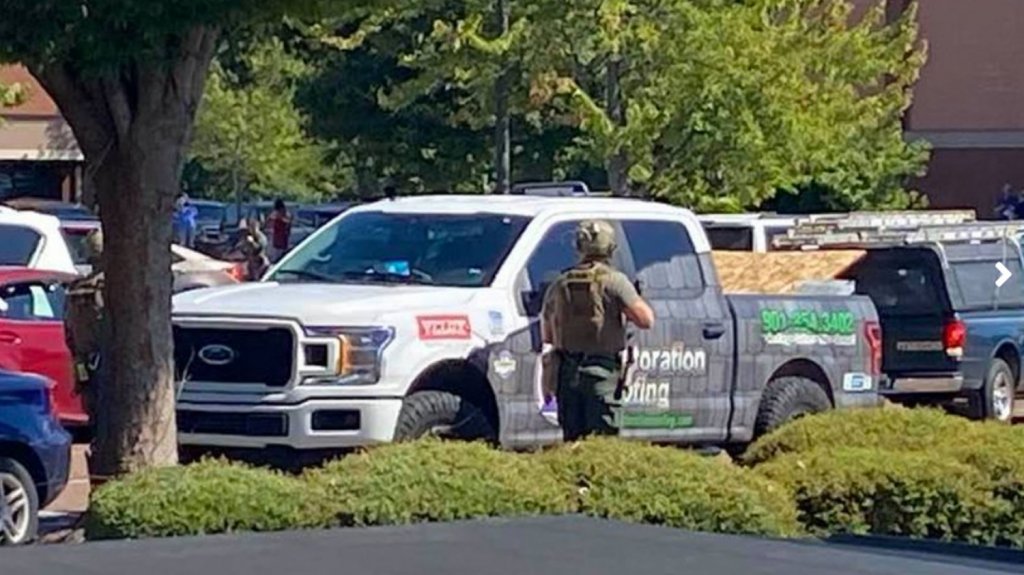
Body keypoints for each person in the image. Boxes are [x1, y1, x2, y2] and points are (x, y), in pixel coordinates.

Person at [540, 219, 655, 442]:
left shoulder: (559, 283)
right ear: (611, 248)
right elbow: (646, 320)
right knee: (604, 445)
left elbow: (547, 335)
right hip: (602, 374)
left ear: (578, 247)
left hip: (567, 374)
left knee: (572, 443)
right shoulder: (615, 282)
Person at [63, 229, 109, 420]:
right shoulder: (110, 286)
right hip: (104, 358)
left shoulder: (77, 287)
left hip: (85, 358)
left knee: (93, 407)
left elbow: (67, 327)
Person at [266, 199, 292, 263]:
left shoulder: (286, 214)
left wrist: (280, 219)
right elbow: (269, 220)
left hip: (283, 237)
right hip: (276, 237)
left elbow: (288, 222)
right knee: (275, 253)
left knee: (281, 253)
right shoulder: (275, 214)